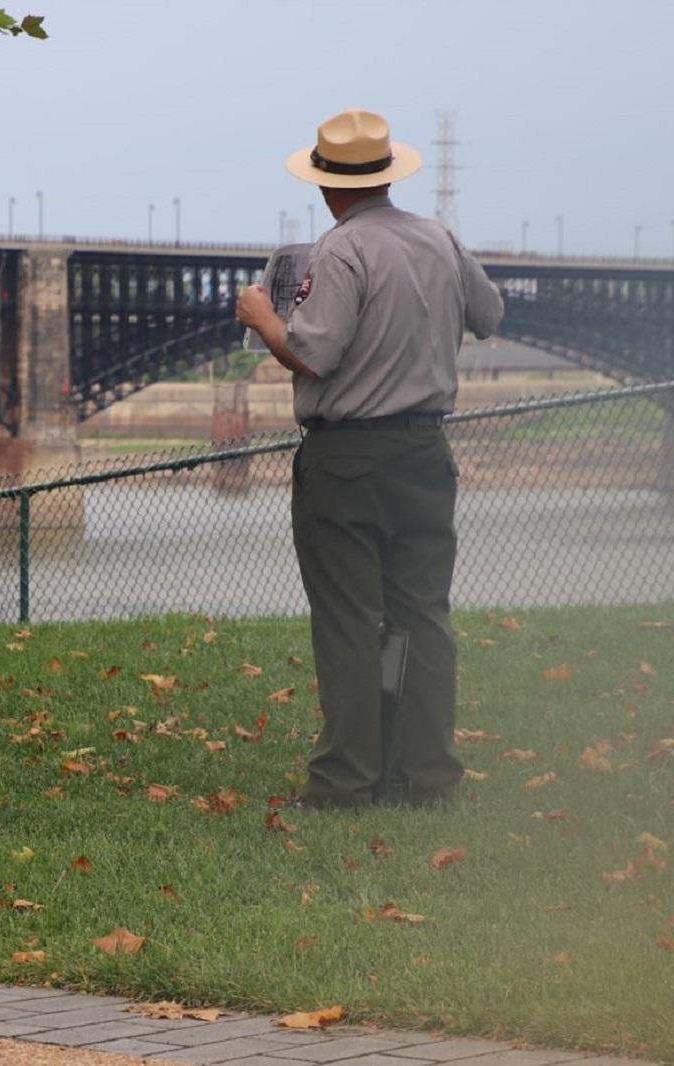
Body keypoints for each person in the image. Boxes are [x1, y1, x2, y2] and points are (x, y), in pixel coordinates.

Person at [236, 110, 503, 810]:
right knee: (421, 616)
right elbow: (491, 314)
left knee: (350, 620)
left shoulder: (339, 252)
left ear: (327, 187)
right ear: (388, 176)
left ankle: (347, 780)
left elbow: (314, 352)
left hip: (347, 461)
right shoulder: (440, 238)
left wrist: (265, 319)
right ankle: (428, 776)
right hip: (425, 453)